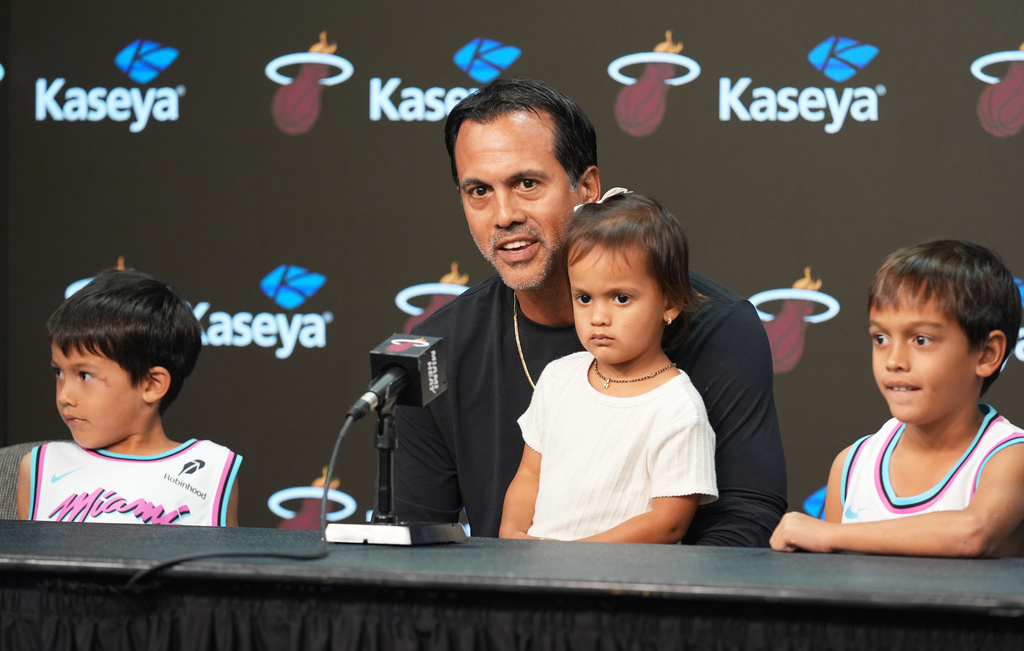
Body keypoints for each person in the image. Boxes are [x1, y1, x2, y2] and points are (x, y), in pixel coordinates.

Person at [393, 77, 787, 545]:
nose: (503, 215)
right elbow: (416, 541)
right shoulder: (435, 349)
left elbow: (745, 524)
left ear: (587, 187)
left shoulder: (720, 326)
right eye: (478, 191)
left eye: (526, 183)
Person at [771, 239, 1024, 557]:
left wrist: (829, 534)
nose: (894, 360)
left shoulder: (1009, 456)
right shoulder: (852, 464)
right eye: (880, 338)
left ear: (988, 354)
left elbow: (971, 533)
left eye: (921, 339)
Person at [499, 190, 717, 542]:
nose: (598, 317)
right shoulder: (559, 377)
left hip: (620, 586)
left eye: (621, 298)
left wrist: (577, 557)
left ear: (671, 303)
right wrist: (512, 533)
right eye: (584, 298)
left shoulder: (678, 409)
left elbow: (669, 521)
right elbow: (529, 476)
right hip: (539, 578)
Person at [16, 268, 242, 526]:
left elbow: (218, 566)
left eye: (85, 375)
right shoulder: (40, 467)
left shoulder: (210, 470)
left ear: (152, 384)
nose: (65, 395)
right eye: (59, 372)